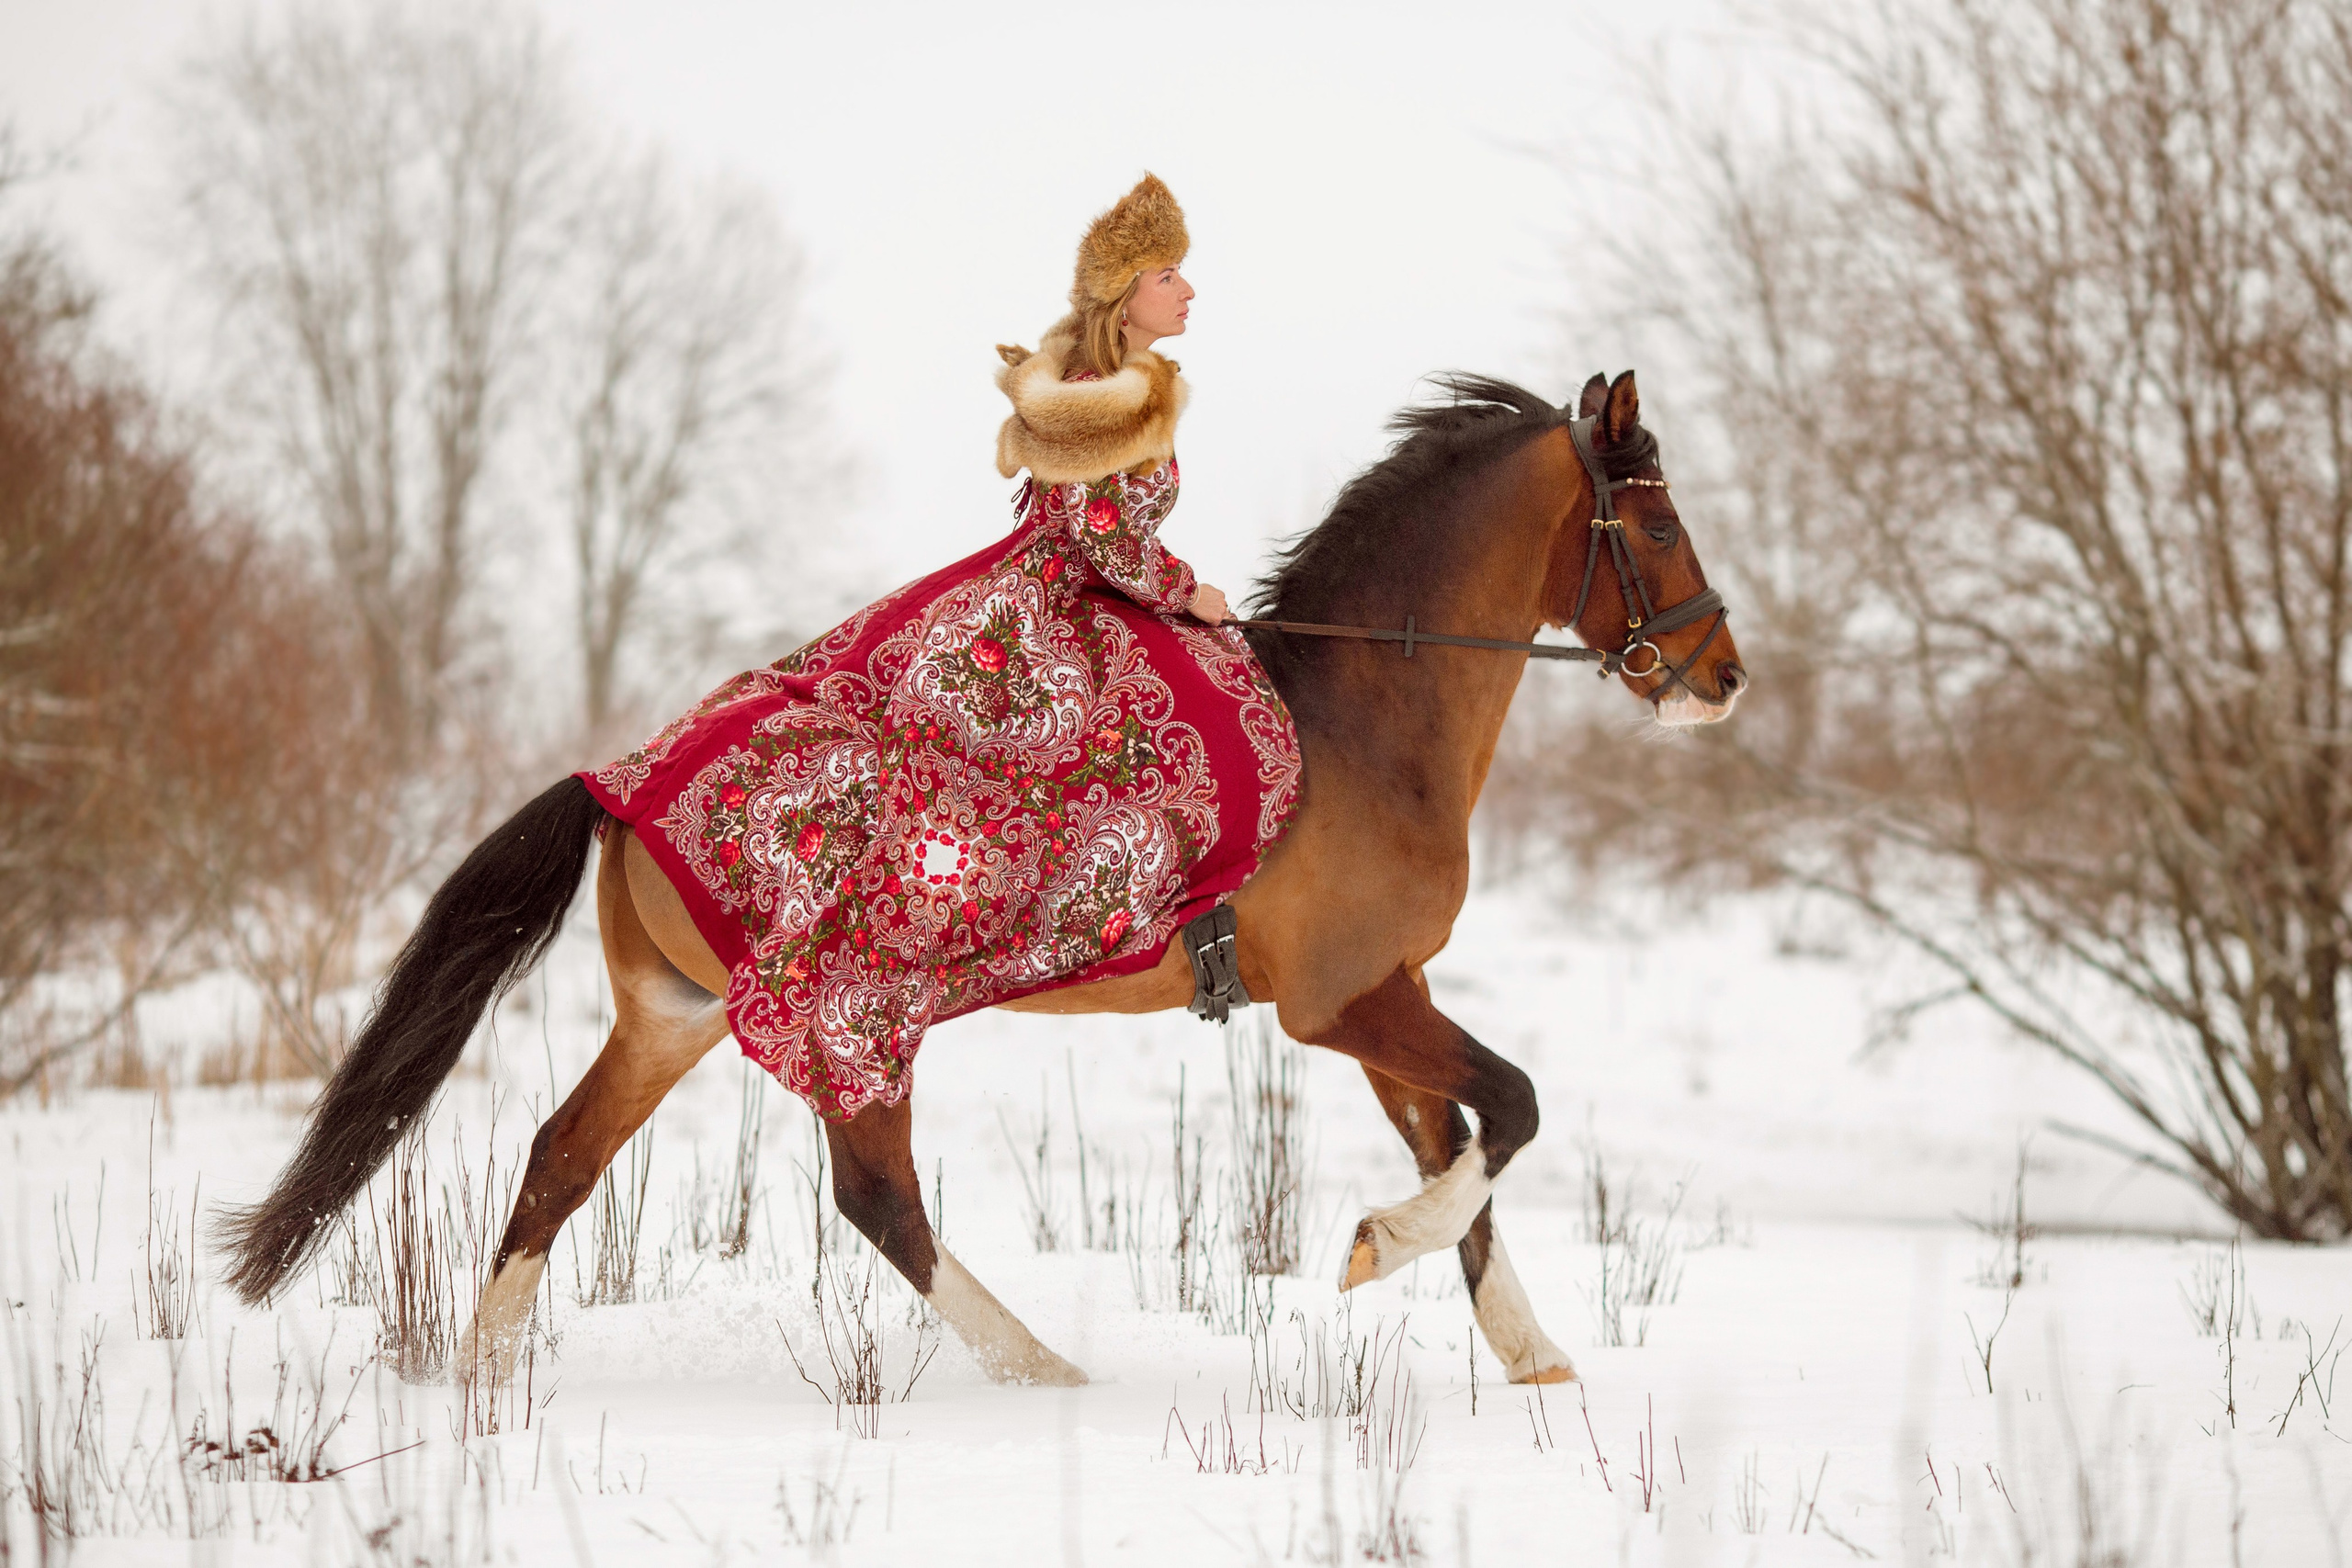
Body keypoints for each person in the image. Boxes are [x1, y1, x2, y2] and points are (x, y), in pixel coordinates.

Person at [581, 174, 1302, 1120]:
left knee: (1206, 709)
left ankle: (1185, 923)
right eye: (1170, 274)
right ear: (1127, 294)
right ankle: (1108, 924)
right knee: (1187, 730)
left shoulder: (1132, 387)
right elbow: (1099, 531)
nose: (1187, 291)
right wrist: (1184, 591)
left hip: (1088, 593)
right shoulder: (1100, 396)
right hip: (1064, 600)